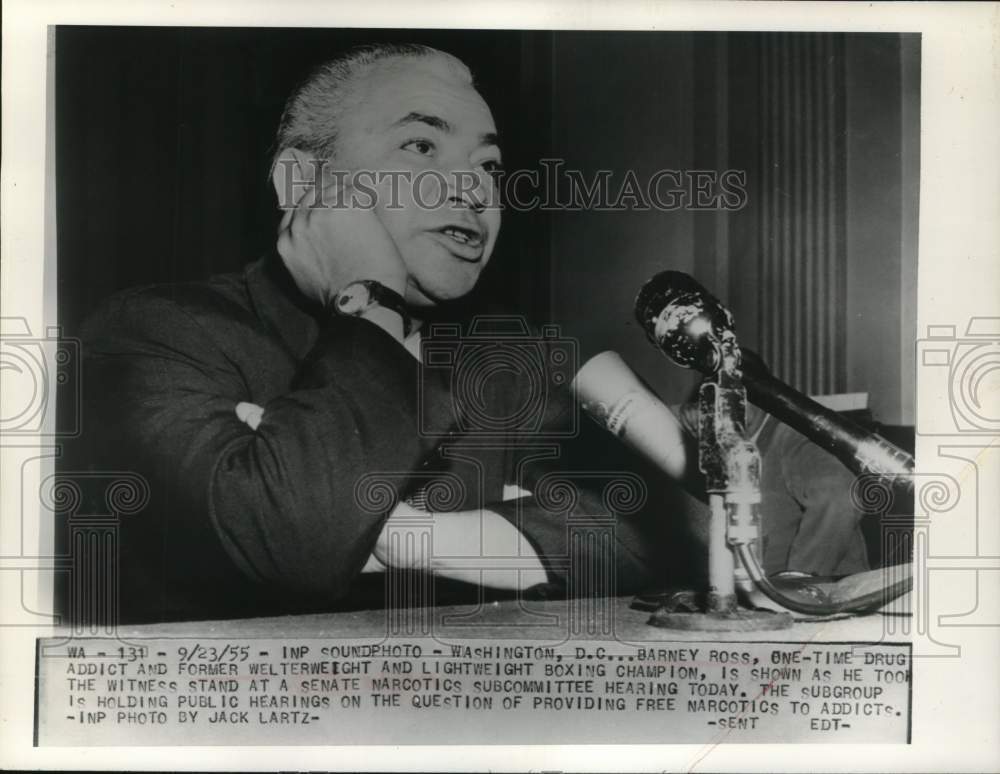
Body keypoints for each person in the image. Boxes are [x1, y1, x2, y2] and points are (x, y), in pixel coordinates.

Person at [70, 43, 868, 624]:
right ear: (302, 182)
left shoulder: (499, 355)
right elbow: (289, 544)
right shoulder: (151, 333)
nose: (473, 188)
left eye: (487, 165)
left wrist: (402, 537)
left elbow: (647, 539)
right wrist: (374, 308)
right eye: (421, 146)